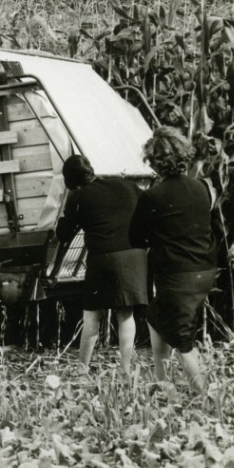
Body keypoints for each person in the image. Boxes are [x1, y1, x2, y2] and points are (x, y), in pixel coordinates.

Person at [128, 127, 218, 393]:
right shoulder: (201, 188)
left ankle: (206, 399)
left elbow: (135, 237)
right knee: (156, 316)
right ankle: (162, 382)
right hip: (205, 270)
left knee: (182, 338)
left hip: (177, 275)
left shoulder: (152, 196)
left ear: (154, 162)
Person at [56, 155, 148, 373]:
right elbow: (147, 210)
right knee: (126, 315)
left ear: (70, 180)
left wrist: (63, 216)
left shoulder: (79, 196)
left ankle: (82, 368)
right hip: (135, 256)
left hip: (104, 258)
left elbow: (64, 234)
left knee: (91, 316)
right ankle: (126, 369)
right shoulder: (125, 184)